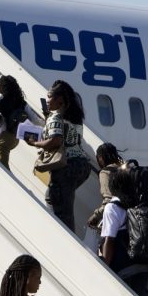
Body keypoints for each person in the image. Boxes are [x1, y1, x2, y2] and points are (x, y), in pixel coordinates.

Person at [23, 80, 92, 231]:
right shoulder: (75, 117)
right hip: (82, 166)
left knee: (59, 213)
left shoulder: (55, 117)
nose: (47, 100)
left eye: (49, 97)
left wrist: (34, 143)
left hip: (66, 167)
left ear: (60, 99)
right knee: (63, 207)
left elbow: (55, 141)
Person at [86, 143, 124, 233]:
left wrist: (95, 217)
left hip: (118, 218)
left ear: (101, 158)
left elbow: (109, 201)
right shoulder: (125, 169)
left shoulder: (106, 172)